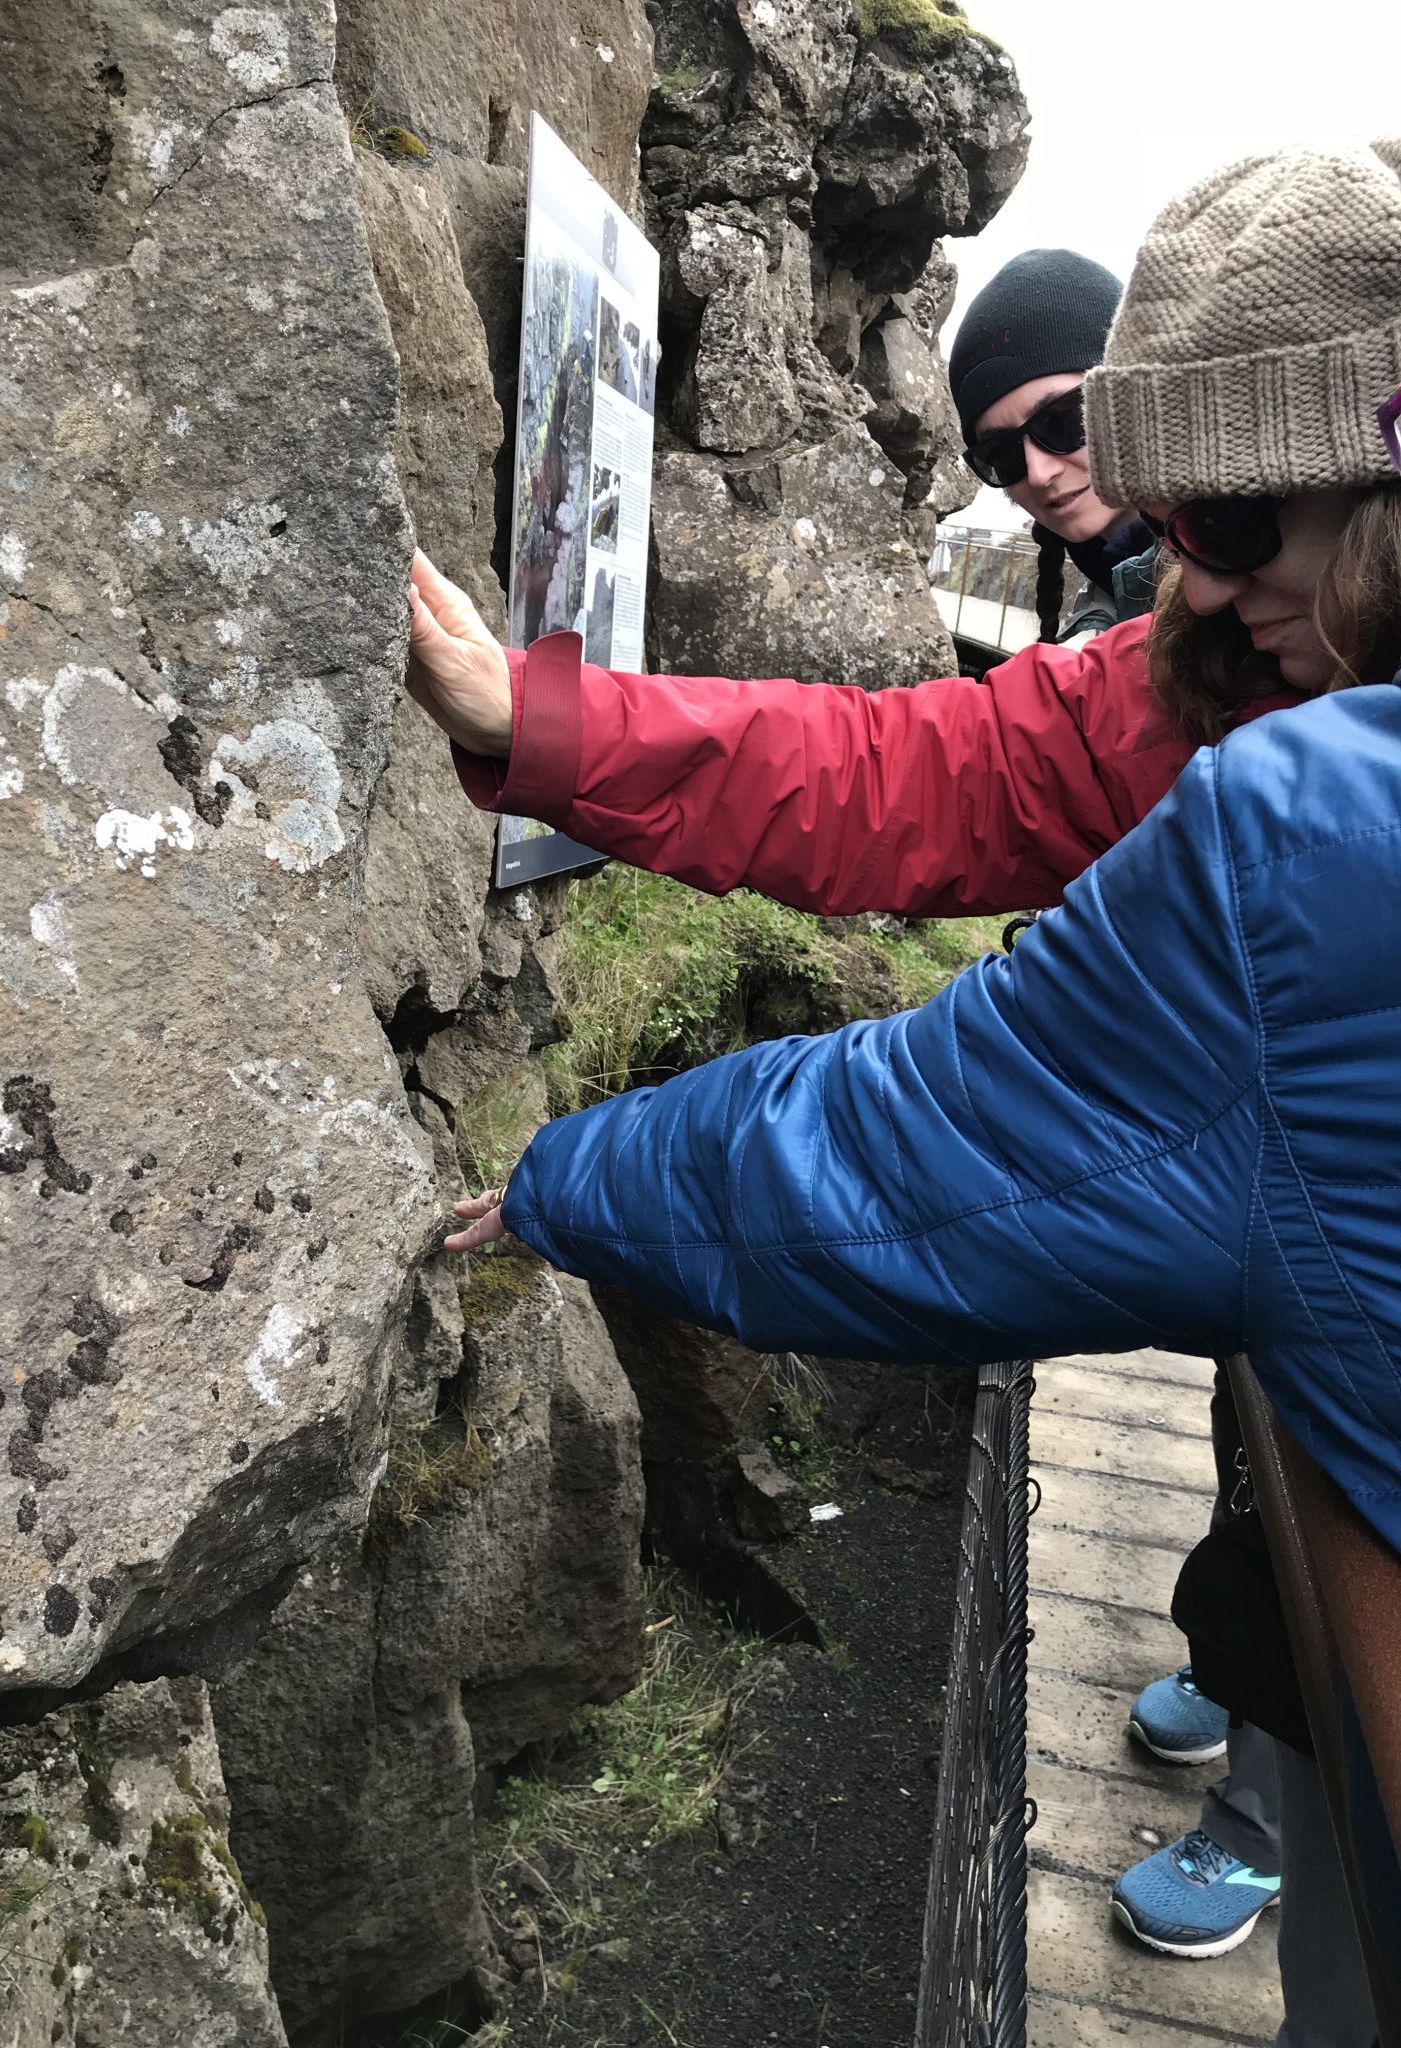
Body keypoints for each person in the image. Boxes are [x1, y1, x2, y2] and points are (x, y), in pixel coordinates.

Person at [409, 140, 1401, 2042]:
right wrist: (543, 720)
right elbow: (923, 767)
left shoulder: (1316, 835)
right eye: (1161, 513)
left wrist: (560, 1177)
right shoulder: (1252, 662)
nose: (1183, 569)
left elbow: (900, 1160)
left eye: (1228, 513)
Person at [954, 248, 1287, 1958]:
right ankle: (1244, 1685)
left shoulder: (1242, 613)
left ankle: (1264, 1814)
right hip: (1234, 1123)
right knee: (1254, 1440)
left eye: (1066, 418)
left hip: (1292, 1138)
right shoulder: (1128, 599)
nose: (1035, 467)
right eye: (994, 448)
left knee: (1306, 1459)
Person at [949, 248, 1156, 642]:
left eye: (1063, 420)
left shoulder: (1257, 569)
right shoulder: (1109, 600)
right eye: (1001, 454)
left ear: (1134, 394)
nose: (1039, 474)